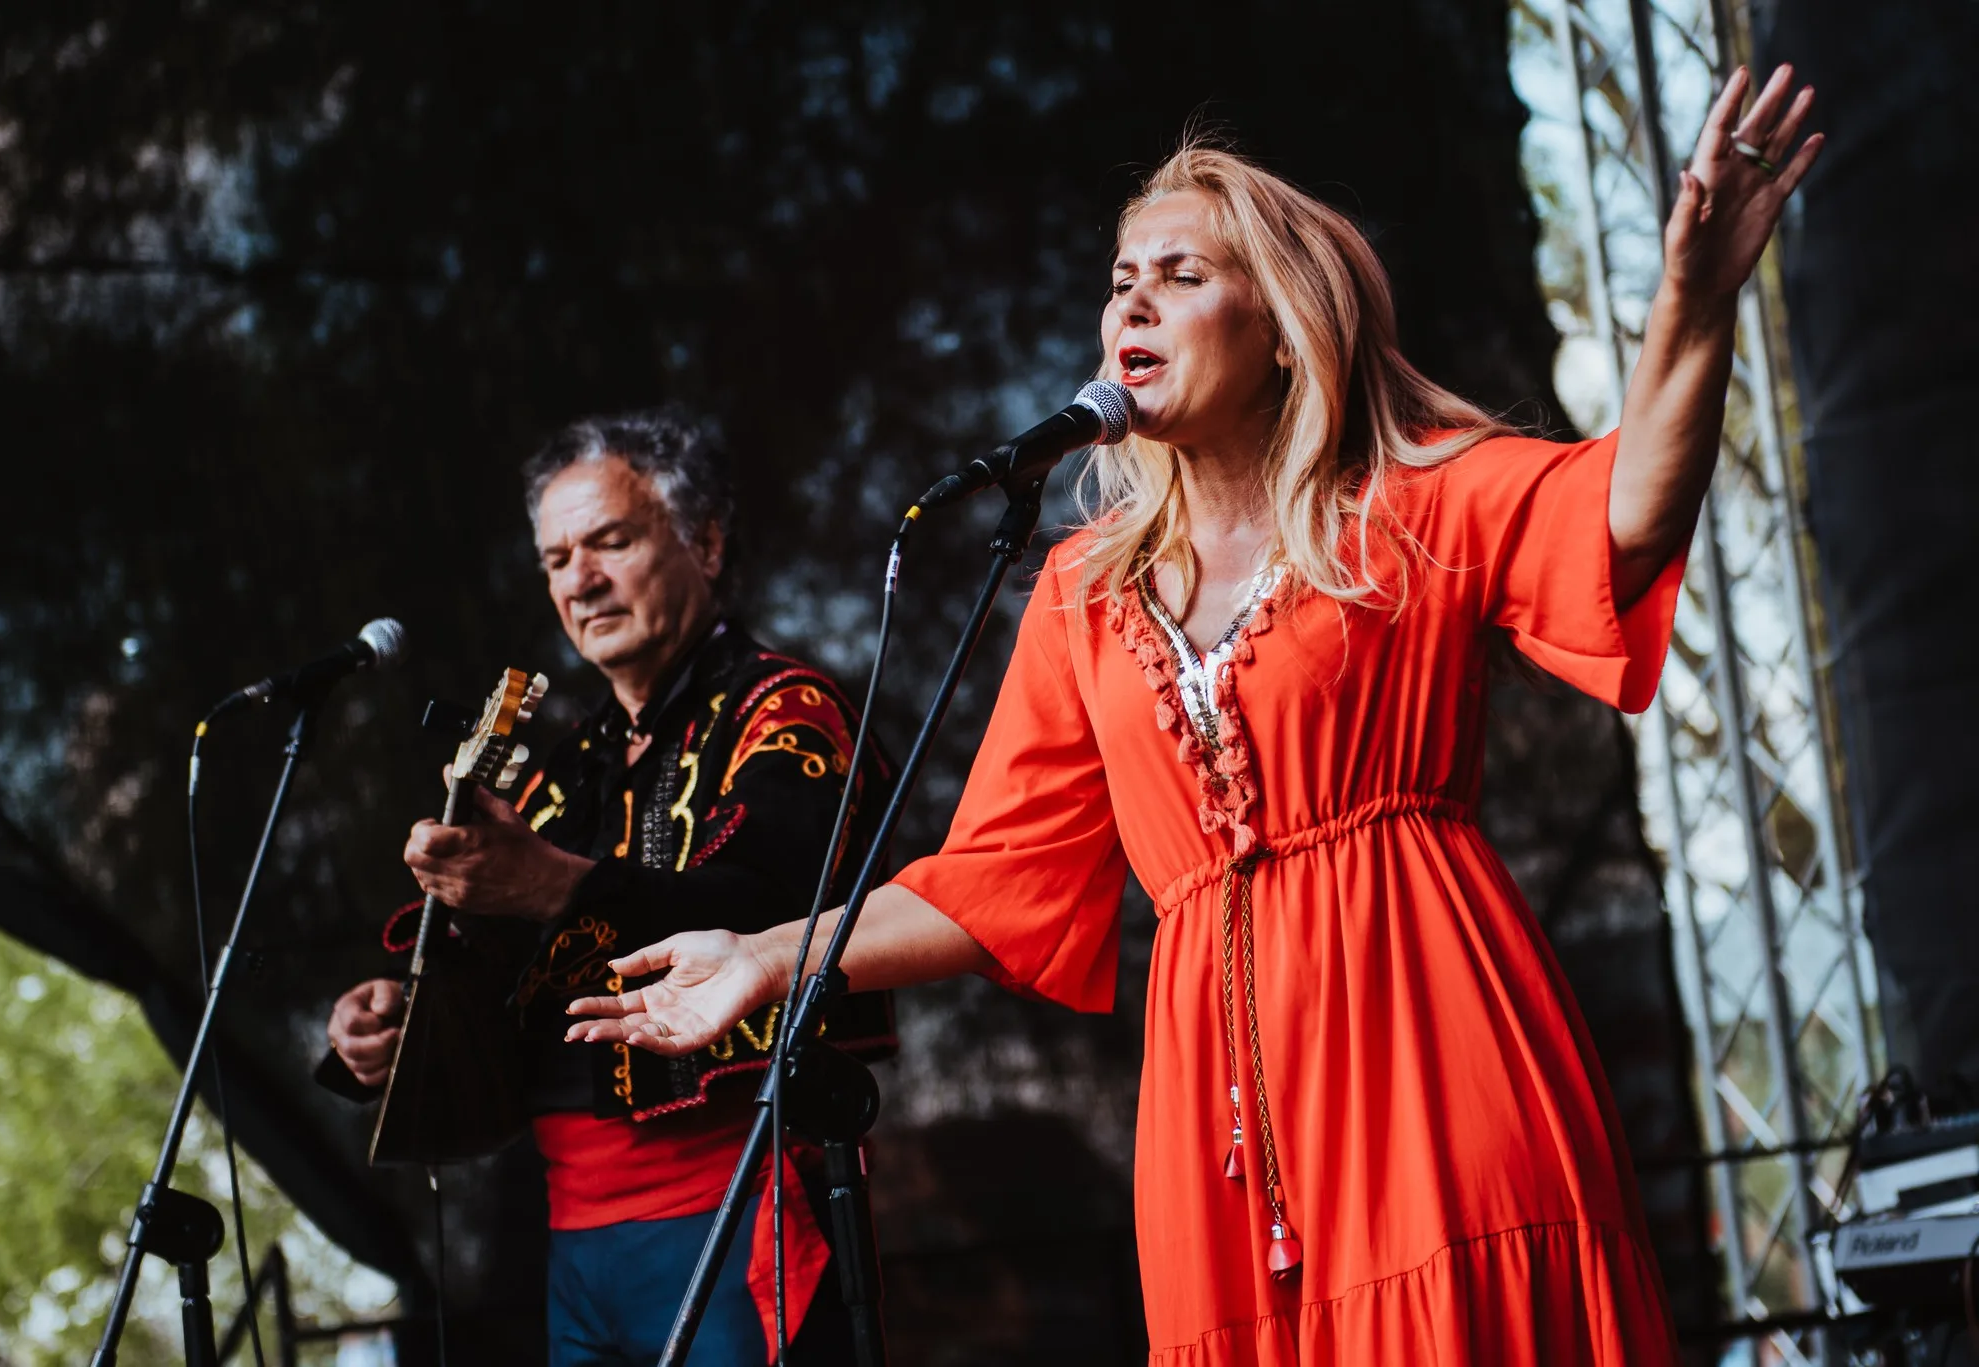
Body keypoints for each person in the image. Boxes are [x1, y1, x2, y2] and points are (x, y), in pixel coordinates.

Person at [565, 68, 1821, 1365]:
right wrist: (767, 955)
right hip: (1216, 1114)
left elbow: (1625, 517)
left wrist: (1692, 301)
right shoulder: (1084, 592)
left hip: (1425, 1031)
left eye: (1180, 274)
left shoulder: (1410, 503)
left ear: (1280, 327)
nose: (1134, 302)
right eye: (1122, 280)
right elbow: (992, 883)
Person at [319, 409, 892, 1367]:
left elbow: (774, 904)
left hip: (738, 1204)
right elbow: (497, 964)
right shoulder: (563, 770)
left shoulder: (789, 710)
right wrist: (392, 1018)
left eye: (610, 542)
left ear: (705, 543)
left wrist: (554, 885)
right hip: (574, 1240)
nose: (579, 580)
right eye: (556, 559)